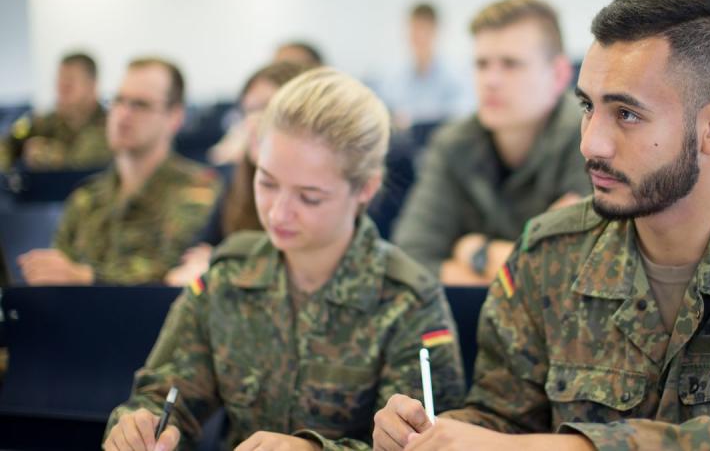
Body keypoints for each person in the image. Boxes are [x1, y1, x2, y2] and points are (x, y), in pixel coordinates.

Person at [373, 0, 710, 450]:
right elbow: (504, 420)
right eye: (587, 107)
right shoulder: (551, 255)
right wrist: (428, 432)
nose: (591, 142)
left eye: (627, 114)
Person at [103, 67, 465, 451]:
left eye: (309, 196)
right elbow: (164, 395)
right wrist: (142, 428)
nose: (278, 213)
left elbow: (428, 443)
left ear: (365, 188)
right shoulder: (229, 276)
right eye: (267, 183)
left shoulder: (408, 300)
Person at [392, 0, 591, 285]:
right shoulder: (452, 143)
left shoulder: (590, 140)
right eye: (482, 64)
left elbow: (579, 269)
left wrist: (475, 251)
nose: (491, 80)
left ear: (559, 74)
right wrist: (517, 271)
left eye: (511, 64)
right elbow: (409, 262)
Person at [19, 58, 222, 285]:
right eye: (118, 101)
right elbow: (58, 270)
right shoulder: (87, 196)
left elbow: (169, 272)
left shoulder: (198, 188)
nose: (123, 114)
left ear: (175, 117)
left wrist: (85, 278)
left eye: (140, 104)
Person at [167, 62, 309, 286]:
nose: (252, 123)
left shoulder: (315, 190)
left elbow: (301, 268)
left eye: (266, 109)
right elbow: (195, 255)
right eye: (248, 111)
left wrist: (219, 265)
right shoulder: (237, 179)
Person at [0, 52, 111, 170]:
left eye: (69, 83)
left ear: (92, 86)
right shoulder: (43, 121)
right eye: (59, 82)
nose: (61, 90)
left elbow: (86, 161)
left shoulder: (109, 126)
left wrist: (48, 155)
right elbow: (7, 144)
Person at [378, 2, 471, 128]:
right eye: (415, 29)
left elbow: (463, 113)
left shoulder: (455, 75)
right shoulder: (394, 77)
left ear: (435, 32)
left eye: (425, 30)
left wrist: (414, 118)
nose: (420, 36)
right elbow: (384, 109)